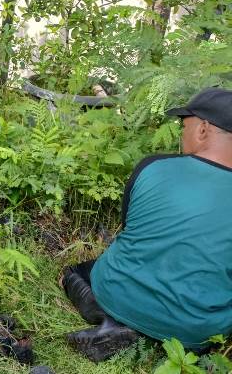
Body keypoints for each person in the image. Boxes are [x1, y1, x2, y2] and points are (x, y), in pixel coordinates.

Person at [61, 87, 232, 362]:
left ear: (203, 129)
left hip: (116, 294)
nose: (180, 133)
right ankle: (161, 337)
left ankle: (114, 321)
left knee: (76, 272)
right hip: (196, 328)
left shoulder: (153, 166)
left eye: (183, 125)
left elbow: (131, 227)